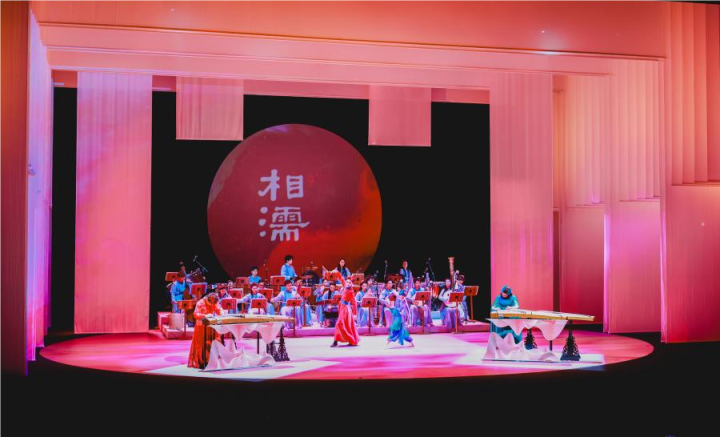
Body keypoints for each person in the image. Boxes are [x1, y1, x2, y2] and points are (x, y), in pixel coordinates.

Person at [187, 293, 223, 368]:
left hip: (210, 325)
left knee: (213, 341)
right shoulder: (200, 303)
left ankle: (210, 360)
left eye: (213, 303)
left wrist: (221, 312)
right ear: (207, 300)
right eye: (211, 303)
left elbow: (218, 308)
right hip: (201, 325)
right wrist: (205, 315)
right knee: (201, 343)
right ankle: (201, 362)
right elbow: (195, 314)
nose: (212, 304)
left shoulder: (214, 301)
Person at [331, 279, 360, 347]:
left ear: (351, 284)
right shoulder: (344, 285)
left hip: (345, 309)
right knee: (346, 325)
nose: (348, 283)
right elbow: (341, 278)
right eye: (347, 281)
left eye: (350, 282)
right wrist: (336, 273)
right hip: (341, 306)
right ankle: (351, 340)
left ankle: (336, 341)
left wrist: (355, 314)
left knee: (339, 323)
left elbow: (354, 303)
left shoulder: (351, 291)